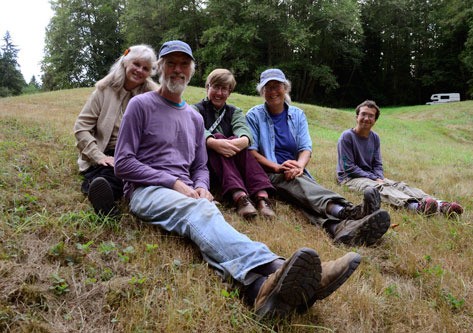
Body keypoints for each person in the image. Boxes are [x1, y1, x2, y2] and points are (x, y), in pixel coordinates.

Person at [114, 40, 363, 318]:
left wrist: (201, 186)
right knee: (199, 212)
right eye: (170, 63)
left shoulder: (194, 119)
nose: (177, 70)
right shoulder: (141, 105)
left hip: (186, 192)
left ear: (191, 71)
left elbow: (199, 165)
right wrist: (174, 183)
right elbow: (123, 163)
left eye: (183, 64)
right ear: (159, 68)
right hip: (146, 191)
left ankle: (258, 290)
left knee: (203, 217)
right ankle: (277, 267)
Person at [246, 69, 391, 246]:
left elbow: (305, 148)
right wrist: (277, 167)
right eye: (267, 87)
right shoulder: (254, 115)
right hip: (269, 172)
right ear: (262, 91)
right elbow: (251, 152)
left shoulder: (297, 115)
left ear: (286, 88)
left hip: (296, 170)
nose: (273, 91)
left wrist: (299, 166)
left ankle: (339, 229)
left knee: (301, 198)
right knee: (299, 186)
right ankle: (349, 211)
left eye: (277, 86)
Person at [336, 100, 464, 218]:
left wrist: (379, 177)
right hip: (350, 178)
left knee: (400, 186)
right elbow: (349, 167)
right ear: (357, 117)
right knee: (379, 188)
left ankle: (441, 205)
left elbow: (377, 164)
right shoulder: (347, 136)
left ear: (375, 120)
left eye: (371, 116)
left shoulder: (375, 138)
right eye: (363, 114)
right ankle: (417, 207)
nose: (366, 118)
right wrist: (375, 179)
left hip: (372, 176)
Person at [74, 44, 158, 216]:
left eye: (145, 68)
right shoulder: (104, 90)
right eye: (136, 64)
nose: (139, 70)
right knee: (112, 172)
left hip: (138, 151)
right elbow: (81, 127)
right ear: (126, 62)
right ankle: (103, 198)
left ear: (150, 73)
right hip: (108, 151)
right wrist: (99, 156)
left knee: (141, 174)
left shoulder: (153, 95)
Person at [192, 69, 275, 219]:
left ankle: (262, 198)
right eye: (215, 87)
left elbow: (244, 130)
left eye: (224, 89)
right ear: (207, 87)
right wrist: (212, 142)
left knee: (239, 144)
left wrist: (241, 141)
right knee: (218, 137)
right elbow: (196, 130)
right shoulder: (195, 110)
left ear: (229, 92)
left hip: (233, 161)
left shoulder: (234, 111)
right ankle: (240, 196)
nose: (219, 93)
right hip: (208, 164)